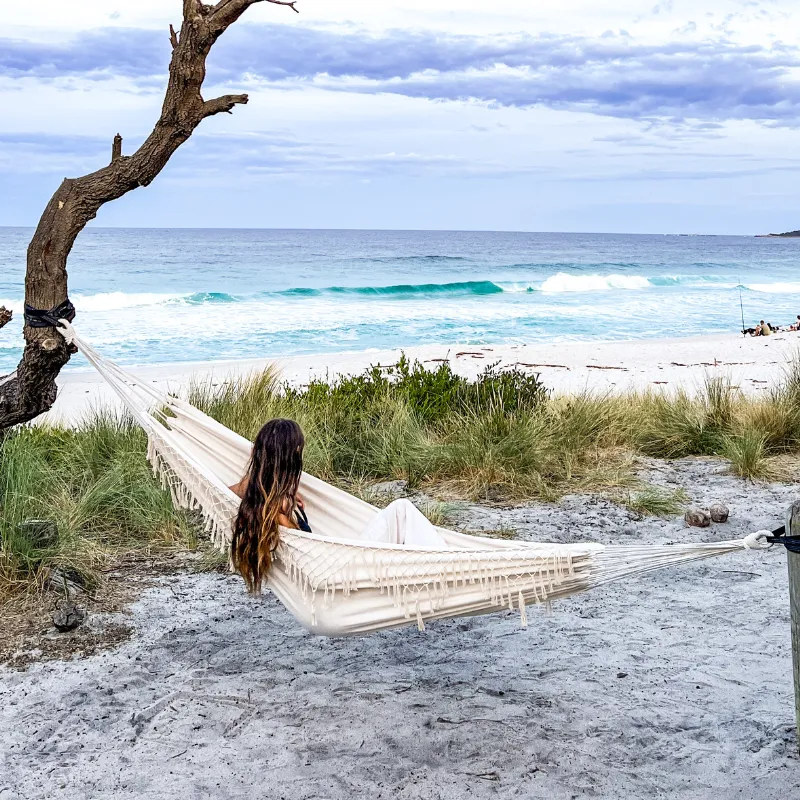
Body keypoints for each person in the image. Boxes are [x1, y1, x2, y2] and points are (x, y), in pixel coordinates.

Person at [229, 418, 446, 593]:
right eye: (298, 450)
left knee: (399, 514)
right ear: (290, 457)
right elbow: (305, 547)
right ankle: (445, 564)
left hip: (334, 564)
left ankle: (442, 560)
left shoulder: (261, 497)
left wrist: (282, 492)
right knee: (401, 509)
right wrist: (283, 504)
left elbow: (230, 492)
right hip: (336, 571)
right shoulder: (276, 509)